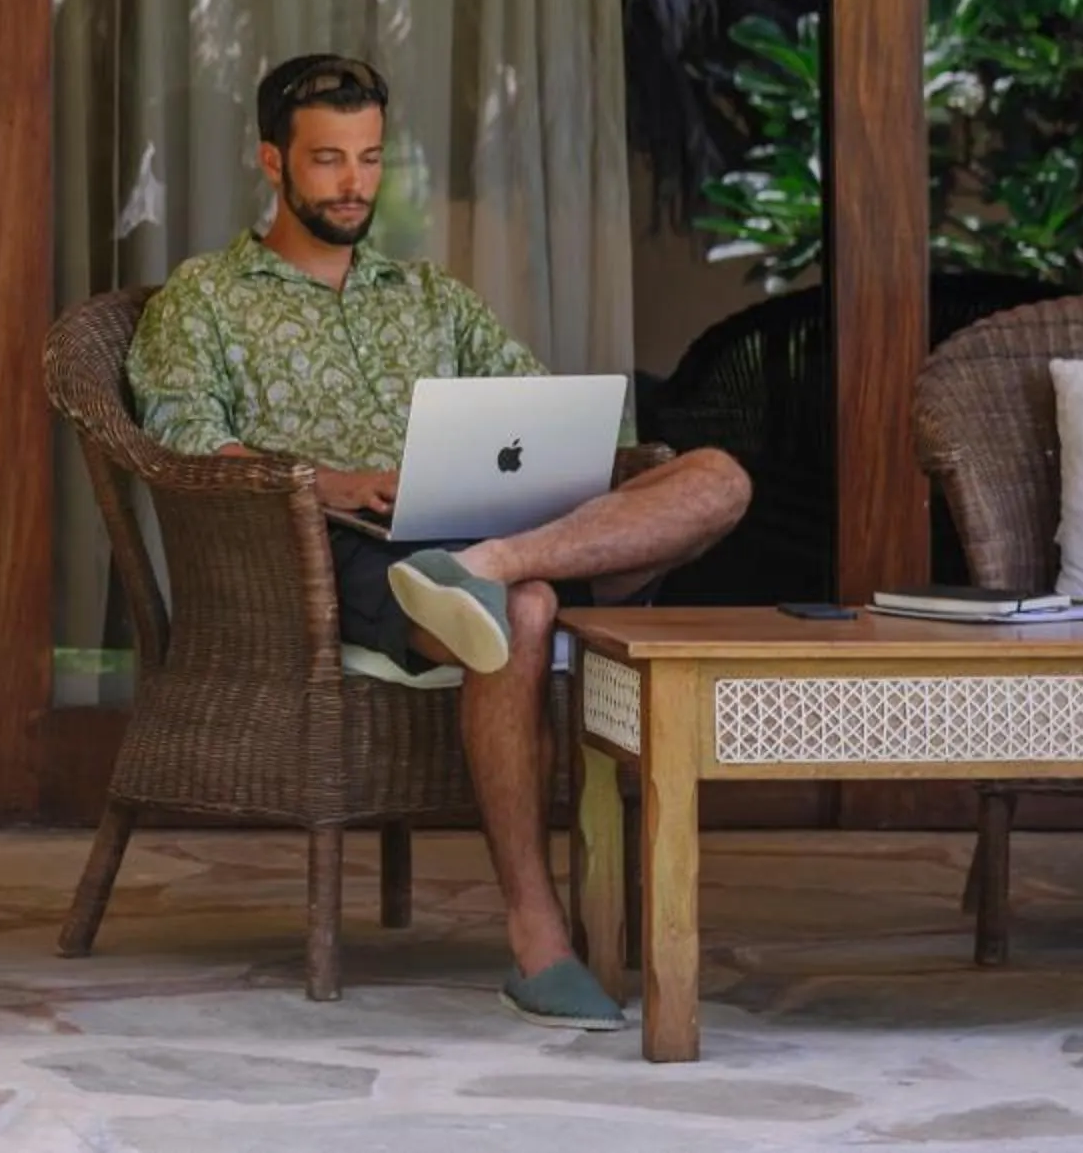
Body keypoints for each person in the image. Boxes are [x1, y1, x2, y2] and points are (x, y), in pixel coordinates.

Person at [126, 53, 749, 1033]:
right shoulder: (204, 301)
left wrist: (540, 488)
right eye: (328, 159)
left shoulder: (430, 296)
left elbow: (538, 405)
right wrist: (328, 480)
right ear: (272, 162)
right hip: (341, 549)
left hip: (492, 530)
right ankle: (537, 933)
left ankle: (494, 566)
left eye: (370, 158)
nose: (354, 183)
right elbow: (181, 437)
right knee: (525, 612)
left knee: (718, 477)